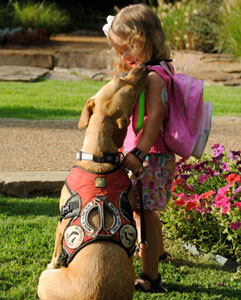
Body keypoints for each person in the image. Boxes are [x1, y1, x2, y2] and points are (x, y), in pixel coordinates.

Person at [103, 4, 175, 293]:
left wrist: (139, 153)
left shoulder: (155, 77)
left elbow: (155, 117)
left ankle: (150, 276)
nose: (123, 57)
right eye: (119, 51)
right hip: (152, 155)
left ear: (142, 41)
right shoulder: (159, 67)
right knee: (148, 212)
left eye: (126, 49)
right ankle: (157, 254)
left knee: (141, 213)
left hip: (150, 156)